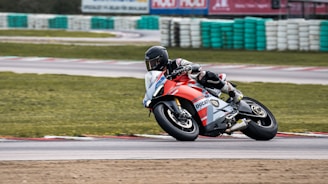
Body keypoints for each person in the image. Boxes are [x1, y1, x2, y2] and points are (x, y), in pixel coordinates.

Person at [144, 46, 243, 104]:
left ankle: (233, 93)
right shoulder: (158, 76)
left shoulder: (176, 63)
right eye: (149, 64)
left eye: (153, 63)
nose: (151, 66)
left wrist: (186, 67)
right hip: (180, 92)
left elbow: (196, 66)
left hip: (194, 84)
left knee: (204, 75)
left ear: (161, 59)